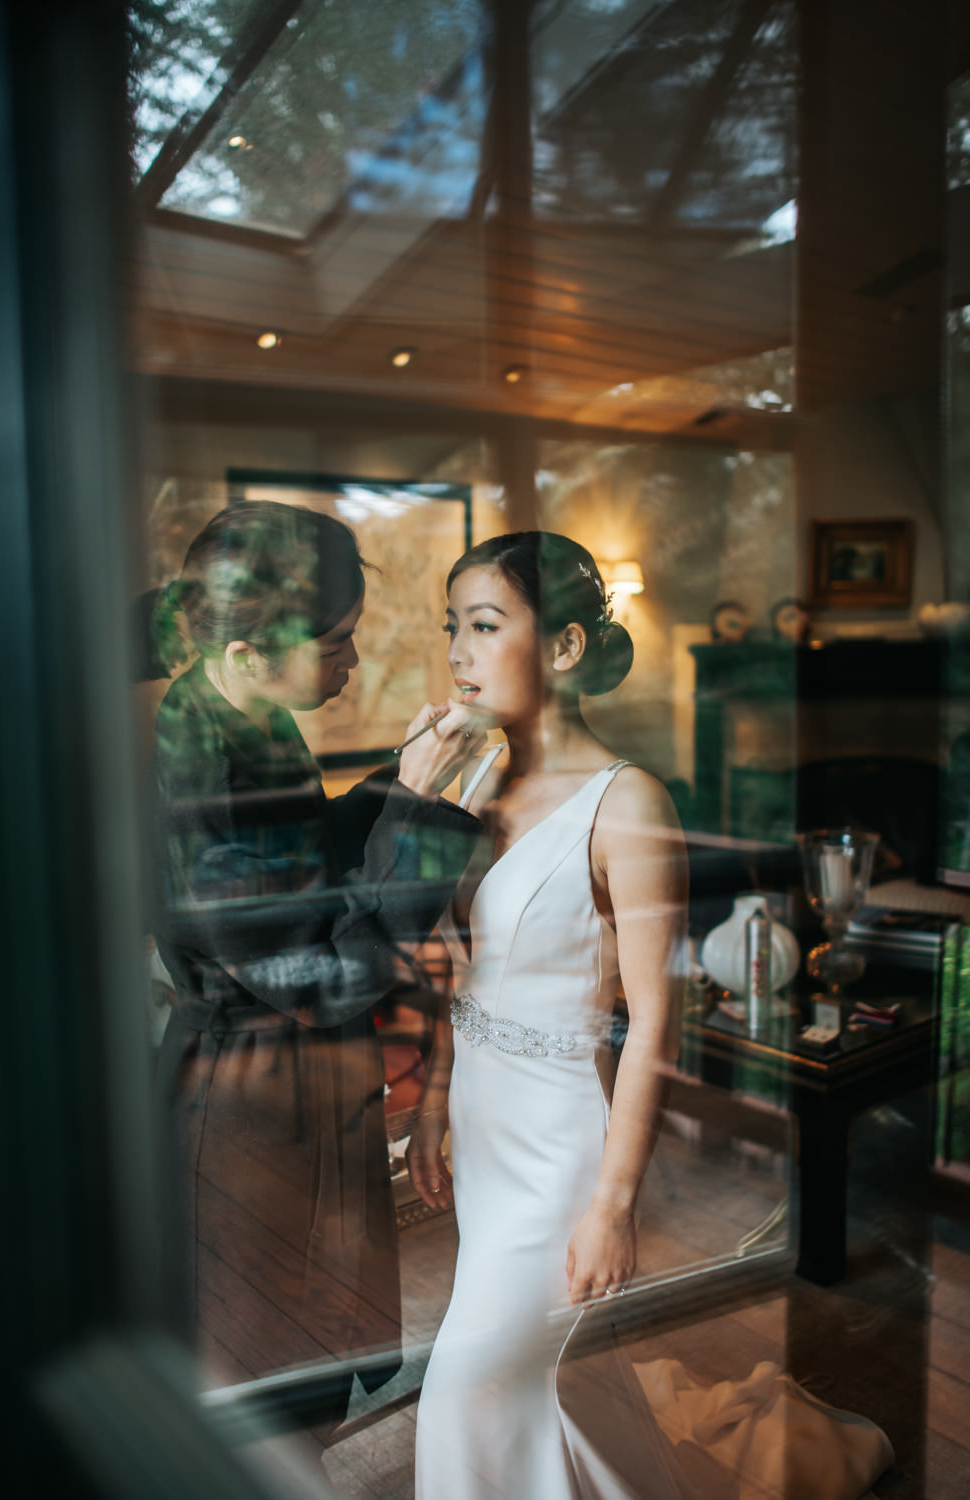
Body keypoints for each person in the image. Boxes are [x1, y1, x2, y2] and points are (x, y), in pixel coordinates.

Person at [407, 532, 894, 1499]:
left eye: (486, 625)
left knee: (467, 1387)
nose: (458, 651)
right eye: (451, 626)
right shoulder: (473, 780)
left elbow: (658, 1025)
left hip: (559, 1143)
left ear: (565, 647)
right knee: (535, 1395)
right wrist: (431, 1103)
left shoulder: (626, 804)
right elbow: (456, 973)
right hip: (483, 1127)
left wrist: (613, 1206)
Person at [148, 500, 484, 1425]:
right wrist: (413, 805)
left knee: (303, 1358)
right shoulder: (203, 772)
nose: (354, 661)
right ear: (247, 652)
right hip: (248, 1103)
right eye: (334, 644)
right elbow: (325, 973)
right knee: (267, 1385)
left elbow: (303, 859)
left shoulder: (235, 711)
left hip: (285, 1076)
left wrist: (399, 778)